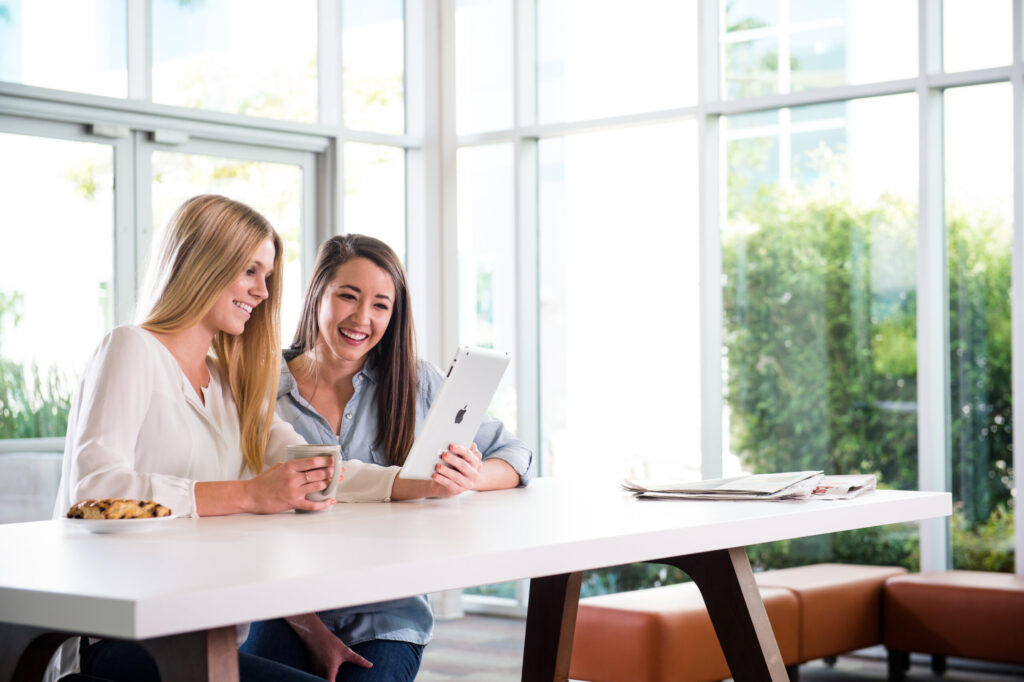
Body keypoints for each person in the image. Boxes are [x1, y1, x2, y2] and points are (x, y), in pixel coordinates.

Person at [51, 194, 335, 682]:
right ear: (204, 264)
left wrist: (414, 480)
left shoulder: (228, 381)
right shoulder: (131, 348)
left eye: (266, 275)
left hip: (205, 634)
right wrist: (247, 494)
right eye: (249, 271)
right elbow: (95, 491)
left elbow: (307, 462)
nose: (262, 292)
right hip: (121, 641)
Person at [241, 234, 535, 682]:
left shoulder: (416, 383)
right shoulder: (260, 387)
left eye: (381, 304)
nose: (362, 318)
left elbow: (517, 455)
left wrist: (467, 477)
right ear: (317, 292)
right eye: (348, 296)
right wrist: (313, 631)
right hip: (287, 607)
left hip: (386, 614)